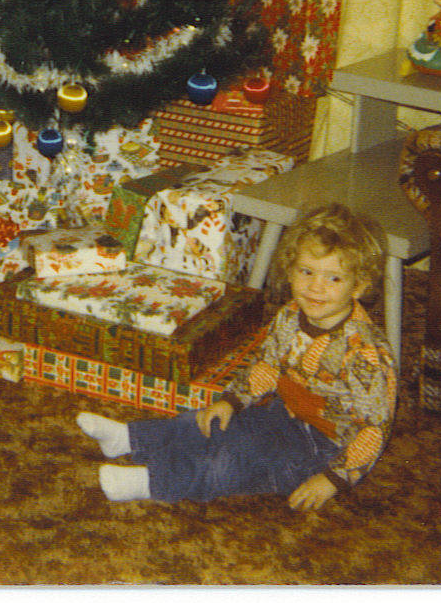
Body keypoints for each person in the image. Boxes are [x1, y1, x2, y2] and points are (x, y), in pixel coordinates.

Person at [78, 203, 396, 510]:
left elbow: (373, 430)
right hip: (282, 412)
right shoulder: (290, 314)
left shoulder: (366, 353)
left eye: (334, 278)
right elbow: (267, 367)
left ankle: (151, 481)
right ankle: (128, 438)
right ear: (290, 270)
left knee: (233, 461)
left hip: (324, 447)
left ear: (359, 286)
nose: (316, 287)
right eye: (307, 271)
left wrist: (333, 479)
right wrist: (231, 402)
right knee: (205, 423)